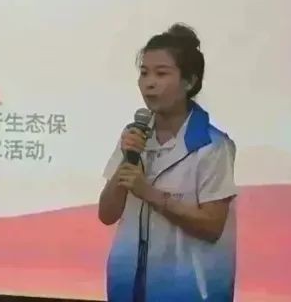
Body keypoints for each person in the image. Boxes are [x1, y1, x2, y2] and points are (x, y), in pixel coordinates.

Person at [98, 24, 238, 302]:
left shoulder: (212, 145)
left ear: (189, 81)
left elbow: (212, 226)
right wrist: (127, 161)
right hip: (128, 287)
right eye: (144, 73)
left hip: (190, 289)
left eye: (161, 74)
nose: (149, 83)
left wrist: (148, 192)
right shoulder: (134, 136)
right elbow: (107, 214)